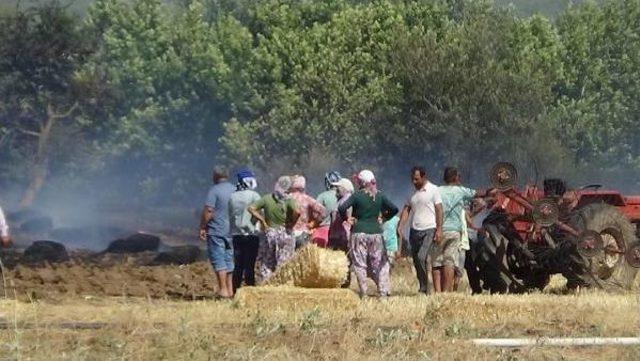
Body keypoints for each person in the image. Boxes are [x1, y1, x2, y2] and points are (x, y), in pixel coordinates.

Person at [338, 170, 398, 298]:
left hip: (359, 233)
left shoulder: (356, 196)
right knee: (380, 263)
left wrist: (346, 219)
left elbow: (342, 208)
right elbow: (394, 209)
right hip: (376, 233)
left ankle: (364, 293)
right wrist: (384, 217)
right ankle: (383, 293)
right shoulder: (380, 196)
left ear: (361, 182)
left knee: (360, 264)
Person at [434, 167, 490, 292]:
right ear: (455, 177)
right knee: (450, 262)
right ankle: (448, 292)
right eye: (458, 176)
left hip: (439, 231)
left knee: (437, 263)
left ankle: (438, 292)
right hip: (455, 231)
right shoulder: (461, 191)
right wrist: (494, 189)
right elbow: (481, 194)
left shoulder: (436, 190)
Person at [397, 166, 443, 294]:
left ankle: (427, 286)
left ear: (424, 177)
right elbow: (406, 209)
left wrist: (439, 229)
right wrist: (401, 225)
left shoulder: (433, 190)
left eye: (416, 179)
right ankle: (423, 286)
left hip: (429, 228)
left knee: (422, 257)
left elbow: (439, 209)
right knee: (416, 260)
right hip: (414, 230)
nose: (414, 182)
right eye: (412, 179)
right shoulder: (411, 193)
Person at [248, 176, 300, 281]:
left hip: (269, 233)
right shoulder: (289, 200)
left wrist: (262, 221)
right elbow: (297, 212)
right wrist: (291, 224)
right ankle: (281, 284)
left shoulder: (267, 198)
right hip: (285, 233)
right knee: (284, 262)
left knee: (267, 262)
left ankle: (266, 284)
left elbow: (251, 208)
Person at [199, 166, 236, 298]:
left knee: (219, 260)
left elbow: (209, 210)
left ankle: (223, 290)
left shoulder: (214, 191)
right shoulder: (234, 189)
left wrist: (203, 226)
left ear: (215, 176)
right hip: (232, 231)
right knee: (229, 259)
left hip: (216, 230)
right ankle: (231, 290)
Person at [228, 169, 261, 291]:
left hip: (237, 234)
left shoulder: (233, 196)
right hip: (251, 235)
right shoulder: (254, 195)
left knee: (238, 265)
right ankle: (250, 290)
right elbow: (260, 213)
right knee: (249, 265)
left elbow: (230, 214)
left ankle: (235, 291)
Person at [328, 177, 355, 287]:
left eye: (338, 188)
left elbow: (350, 218)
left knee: (344, 261)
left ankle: (344, 284)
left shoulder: (348, 200)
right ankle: (339, 283)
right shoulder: (340, 200)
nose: (336, 190)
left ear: (345, 188)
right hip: (336, 235)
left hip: (342, 236)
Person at [289, 175, 326, 249]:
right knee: (302, 259)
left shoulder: (286, 199)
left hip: (288, 233)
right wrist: (314, 223)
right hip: (303, 233)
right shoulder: (307, 199)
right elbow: (323, 212)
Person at [313, 171, 342, 247]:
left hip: (323, 231)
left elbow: (315, 214)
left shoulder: (322, 196)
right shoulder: (344, 196)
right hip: (340, 232)